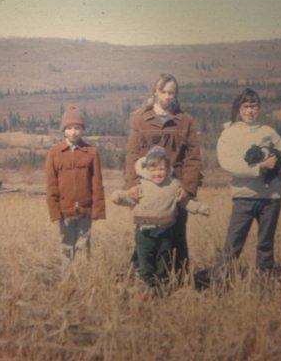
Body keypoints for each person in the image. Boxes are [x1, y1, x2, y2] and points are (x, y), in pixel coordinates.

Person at [213, 88, 281, 282]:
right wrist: (260, 167)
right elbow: (228, 163)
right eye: (246, 106)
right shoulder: (230, 133)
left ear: (259, 108)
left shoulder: (269, 132)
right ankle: (219, 284)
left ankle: (265, 284)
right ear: (238, 108)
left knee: (265, 244)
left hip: (271, 198)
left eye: (254, 106)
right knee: (233, 244)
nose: (250, 111)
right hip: (244, 197)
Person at [125, 74, 203, 273]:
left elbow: (193, 158)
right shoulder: (140, 118)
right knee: (146, 233)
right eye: (165, 92)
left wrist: (187, 189)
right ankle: (142, 278)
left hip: (175, 188)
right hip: (148, 189)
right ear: (155, 92)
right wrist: (133, 184)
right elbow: (132, 153)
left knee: (176, 235)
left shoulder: (185, 121)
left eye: (172, 93)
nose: (169, 96)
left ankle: (178, 280)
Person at [112, 146, 209, 293]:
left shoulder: (173, 185)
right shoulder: (141, 186)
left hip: (165, 232)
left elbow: (184, 202)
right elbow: (130, 200)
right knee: (145, 262)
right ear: (147, 169)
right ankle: (146, 288)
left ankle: (162, 288)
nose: (158, 173)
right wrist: (119, 197)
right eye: (154, 169)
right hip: (144, 233)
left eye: (161, 169)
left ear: (168, 168)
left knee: (163, 262)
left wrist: (200, 208)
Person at [46, 106, 106, 271]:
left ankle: (83, 278)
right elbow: (51, 186)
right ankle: (67, 279)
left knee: (83, 244)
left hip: (85, 210)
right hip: (65, 210)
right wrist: (55, 212)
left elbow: (97, 183)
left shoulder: (91, 152)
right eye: (69, 128)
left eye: (77, 128)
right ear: (63, 130)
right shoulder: (54, 153)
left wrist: (97, 210)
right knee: (66, 245)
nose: (73, 132)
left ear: (83, 130)